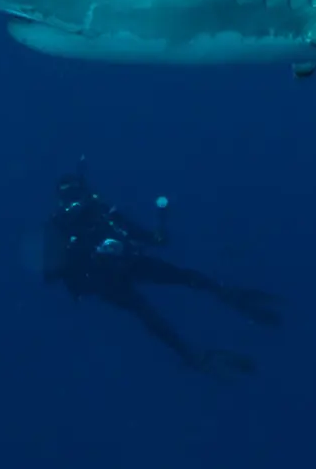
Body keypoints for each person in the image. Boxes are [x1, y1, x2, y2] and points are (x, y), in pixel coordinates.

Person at [39, 158, 281, 376]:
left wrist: (154, 234)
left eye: (77, 195)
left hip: (126, 264)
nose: (76, 202)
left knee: (173, 285)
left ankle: (220, 304)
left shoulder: (101, 211)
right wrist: (90, 253)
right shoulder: (62, 226)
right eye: (71, 198)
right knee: (147, 308)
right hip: (104, 279)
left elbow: (147, 237)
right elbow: (53, 271)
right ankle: (192, 349)